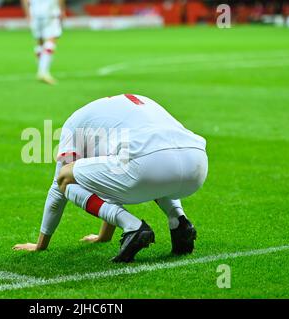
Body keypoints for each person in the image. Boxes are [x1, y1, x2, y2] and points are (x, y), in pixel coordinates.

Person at [14, 94, 208, 262]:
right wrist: (103, 237)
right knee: (147, 165)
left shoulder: (73, 124)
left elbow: (59, 187)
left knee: (65, 177)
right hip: (197, 164)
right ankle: (179, 221)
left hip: (148, 165)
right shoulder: (129, 108)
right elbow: (108, 183)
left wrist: (40, 244)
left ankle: (132, 226)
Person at [21, 0, 65, 85]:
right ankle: (43, 72)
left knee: (40, 43)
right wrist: (62, 10)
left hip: (35, 13)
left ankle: (41, 70)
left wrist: (27, 13)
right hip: (50, 13)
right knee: (51, 40)